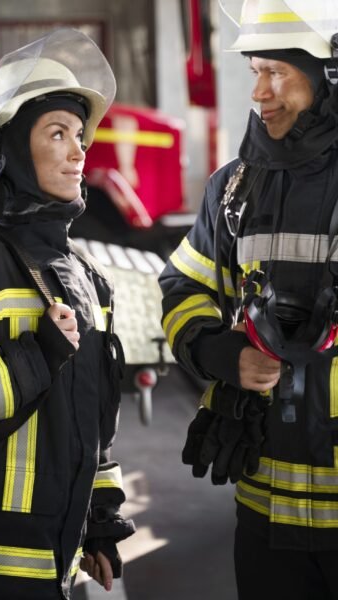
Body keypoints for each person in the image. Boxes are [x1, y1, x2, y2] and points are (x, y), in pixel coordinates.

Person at [0, 28, 135, 600]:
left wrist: (100, 520)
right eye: (57, 134)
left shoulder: (86, 278)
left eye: (79, 135)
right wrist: (33, 357)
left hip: (56, 568)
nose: (79, 151)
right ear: (10, 153)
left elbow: (95, 426)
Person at [159, 1, 338, 598]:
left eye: (277, 73)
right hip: (264, 519)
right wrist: (219, 352)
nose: (258, 91)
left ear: (328, 76)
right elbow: (182, 285)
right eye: (254, 71)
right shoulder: (232, 189)